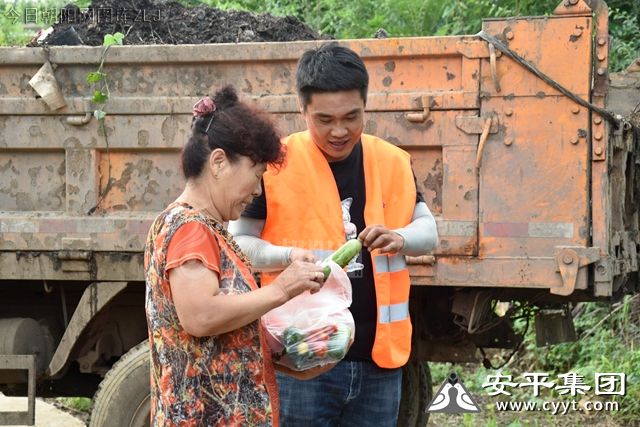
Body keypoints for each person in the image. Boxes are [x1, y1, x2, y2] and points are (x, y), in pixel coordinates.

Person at [229, 42, 439, 426]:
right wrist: (287, 257)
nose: (339, 131)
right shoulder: (275, 165)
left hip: (379, 361)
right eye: (324, 119)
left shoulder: (392, 161)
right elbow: (238, 243)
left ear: (366, 106)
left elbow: (429, 232)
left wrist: (401, 238)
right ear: (303, 109)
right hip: (302, 357)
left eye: (351, 117)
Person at [144, 86, 327, 426]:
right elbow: (200, 317)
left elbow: (215, 334)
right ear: (218, 162)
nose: (257, 191)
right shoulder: (190, 228)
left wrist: (283, 353)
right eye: (256, 175)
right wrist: (282, 289)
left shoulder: (204, 228)